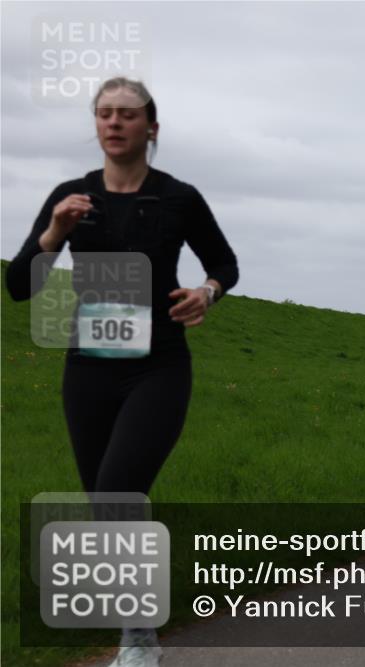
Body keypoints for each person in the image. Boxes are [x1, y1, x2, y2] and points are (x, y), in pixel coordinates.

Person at [6, 77, 239, 667]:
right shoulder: (70, 196)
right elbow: (17, 286)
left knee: (117, 493)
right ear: (97, 126)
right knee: (105, 506)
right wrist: (54, 232)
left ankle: (139, 641)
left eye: (127, 115)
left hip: (157, 368)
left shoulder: (178, 197)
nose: (114, 123)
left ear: (150, 128)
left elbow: (225, 263)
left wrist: (207, 293)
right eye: (104, 114)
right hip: (87, 368)